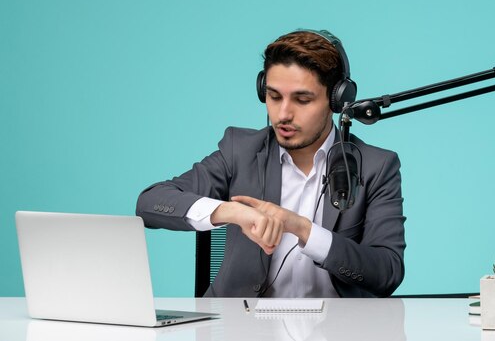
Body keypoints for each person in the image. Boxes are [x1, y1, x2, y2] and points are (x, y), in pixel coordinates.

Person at [136, 29, 406, 298]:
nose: (284, 114)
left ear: (336, 101)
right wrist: (232, 212)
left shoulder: (375, 166)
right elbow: (150, 203)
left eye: (302, 100)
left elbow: (387, 272)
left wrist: (304, 230)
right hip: (237, 329)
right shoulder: (240, 150)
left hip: (335, 331)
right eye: (274, 96)